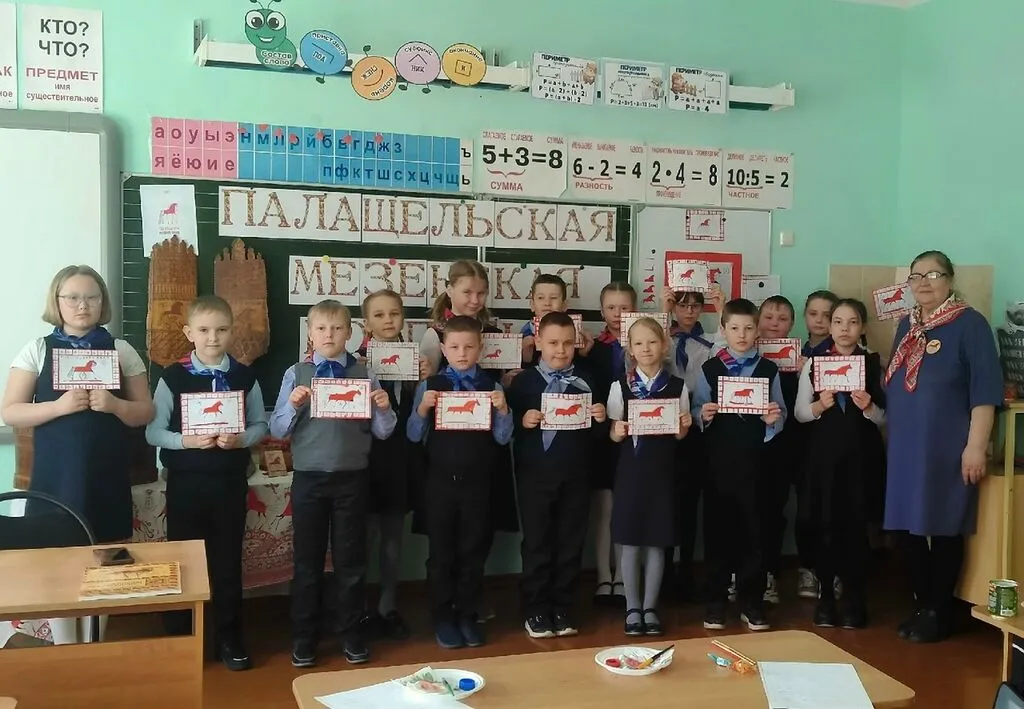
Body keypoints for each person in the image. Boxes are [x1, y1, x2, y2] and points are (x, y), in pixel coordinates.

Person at [1, 264, 154, 646]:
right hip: (56, 478)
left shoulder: (121, 350)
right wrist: (58, 406)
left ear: (102, 302)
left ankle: (94, 645)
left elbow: (145, 411)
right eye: (72, 297)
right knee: (57, 560)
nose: (82, 305)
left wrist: (116, 405)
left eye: (91, 297)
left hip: (106, 475)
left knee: (106, 561)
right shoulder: (37, 349)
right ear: (57, 301)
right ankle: (65, 647)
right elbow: (10, 411)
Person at [270, 299, 397, 667]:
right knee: (307, 562)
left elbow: (384, 432)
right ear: (310, 334)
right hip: (309, 480)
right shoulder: (296, 373)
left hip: (352, 481)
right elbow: (278, 429)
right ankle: (304, 637)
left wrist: (384, 407)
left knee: (351, 563)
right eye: (322, 328)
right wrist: (292, 405)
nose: (329, 334)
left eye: (338, 328)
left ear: (350, 332)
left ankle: (351, 634)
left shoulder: (364, 372)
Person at [884, 250, 1002, 643]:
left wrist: (975, 446)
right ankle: (923, 605)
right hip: (906, 447)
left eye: (933, 275)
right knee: (907, 527)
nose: (923, 283)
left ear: (950, 280)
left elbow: (985, 392)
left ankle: (939, 609)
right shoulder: (908, 325)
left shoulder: (970, 324)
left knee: (946, 525)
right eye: (916, 276)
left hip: (948, 447)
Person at [145, 295, 268, 670]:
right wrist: (187, 441)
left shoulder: (245, 377)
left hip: (229, 483)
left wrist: (241, 439)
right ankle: (181, 637)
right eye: (204, 330)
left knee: (227, 562)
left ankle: (229, 638)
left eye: (221, 330)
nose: (212, 338)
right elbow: (153, 432)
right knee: (182, 562)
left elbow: (260, 426)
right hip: (185, 484)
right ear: (189, 333)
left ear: (232, 332)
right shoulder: (172, 377)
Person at [417, 260, 519, 620]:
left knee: (479, 534)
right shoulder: (434, 336)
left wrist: (509, 384)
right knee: (445, 542)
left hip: (485, 448)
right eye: (467, 292)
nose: (475, 300)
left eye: (481, 293)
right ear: (450, 291)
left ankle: (469, 601)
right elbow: (425, 393)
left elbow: (502, 393)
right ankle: (447, 608)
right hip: (446, 454)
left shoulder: (494, 333)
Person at [407, 316, 514, 650]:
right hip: (440, 484)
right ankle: (443, 617)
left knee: (473, 552)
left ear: (480, 348)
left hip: (479, 484)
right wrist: (422, 409)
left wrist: (504, 411)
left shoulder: (492, 387)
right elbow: (413, 435)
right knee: (441, 555)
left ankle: (468, 615)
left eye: (469, 346)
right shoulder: (431, 385)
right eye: (454, 347)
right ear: (443, 349)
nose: (462, 353)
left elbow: (502, 438)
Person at [507, 312, 608, 639]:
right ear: (538, 342)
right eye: (553, 343)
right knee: (537, 543)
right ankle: (535, 608)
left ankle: (564, 606)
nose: (561, 350)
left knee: (570, 542)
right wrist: (523, 420)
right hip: (535, 476)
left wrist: (600, 418)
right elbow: (505, 427)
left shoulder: (588, 380)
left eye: (567, 343)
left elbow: (599, 437)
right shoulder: (523, 382)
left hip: (577, 475)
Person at [691, 298, 786, 632]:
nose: (742, 334)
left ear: (757, 330)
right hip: (719, 465)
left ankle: (751, 602)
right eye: (735, 328)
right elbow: (696, 408)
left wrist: (773, 420)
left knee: (754, 533)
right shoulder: (710, 369)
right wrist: (702, 414)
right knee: (718, 532)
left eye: (748, 328)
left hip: (756, 465)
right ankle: (716, 602)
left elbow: (781, 414)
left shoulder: (769, 370)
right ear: (724, 329)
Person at [795, 298, 886, 629]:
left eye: (852, 322)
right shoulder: (814, 363)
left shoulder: (873, 364)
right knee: (826, 527)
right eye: (838, 322)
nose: (844, 329)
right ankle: (826, 599)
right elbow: (800, 414)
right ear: (830, 327)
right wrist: (820, 405)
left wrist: (868, 407)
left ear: (862, 328)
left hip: (861, 459)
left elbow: (885, 418)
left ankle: (855, 599)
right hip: (825, 459)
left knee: (857, 530)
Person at [608, 316, 692, 636]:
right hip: (631, 472)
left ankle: (650, 607)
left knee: (657, 542)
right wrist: (617, 431)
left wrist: (684, 427)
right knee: (630, 542)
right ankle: (632, 607)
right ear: (630, 349)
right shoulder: (620, 386)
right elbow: (613, 432)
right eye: (639, 343)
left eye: (653, 342)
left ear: (665, 346)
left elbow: (680, 435)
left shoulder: (678, 387)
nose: (646, 348)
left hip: (663, 473)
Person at [356, 289, 429, 642]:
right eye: (379, 315)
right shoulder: (354, 363)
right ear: (366, 323)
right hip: (364, 456)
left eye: (395, 314)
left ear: (403, 319)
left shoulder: (415, 361)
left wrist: (425, 378)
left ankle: (388, 605)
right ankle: (358, 608)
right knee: (363, 535)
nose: (388, 320)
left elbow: (422, 411)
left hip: (400, 456)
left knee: (392, 536)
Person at [661, 288, 714, 602]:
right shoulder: (663, 338)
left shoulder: (709, 342)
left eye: (695, 306)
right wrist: (662, 311)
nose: (689, 312)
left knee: (690, 503)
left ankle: (687, 571)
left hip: (696, 426)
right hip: (664, 424)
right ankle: (664, 572)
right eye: (682, 306)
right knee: (666, 502)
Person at [587, 282, 637, 605]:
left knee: (626, 507)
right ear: (602, 311)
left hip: (637, 434)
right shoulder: (592, 348)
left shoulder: (644, 343)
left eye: (624, 307)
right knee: (604, 508)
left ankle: (623, 577)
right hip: (602, 436)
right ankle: (603, 576)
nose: (618, 314)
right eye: (611, 308)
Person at [756, 295, 806, 605]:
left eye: (783, 318)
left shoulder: (799, 362)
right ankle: (737, 574)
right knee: (744, 511)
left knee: (774, 512)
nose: (775, 324)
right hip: (748, 449)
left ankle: (769, 575)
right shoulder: (743, 355)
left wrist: (804, 374)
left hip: (783, 450)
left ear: (792, 325)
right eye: (769, 317)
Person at [795, 289, 841, 599]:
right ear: (804, 316)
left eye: (828, 315)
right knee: (805, 508)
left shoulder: (847, 353)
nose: (820, 321)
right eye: (813, 314)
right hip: (799, 439)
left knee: (832, 509)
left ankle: (833, 572)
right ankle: (807, 569)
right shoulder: (792, 351)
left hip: (832, 441)